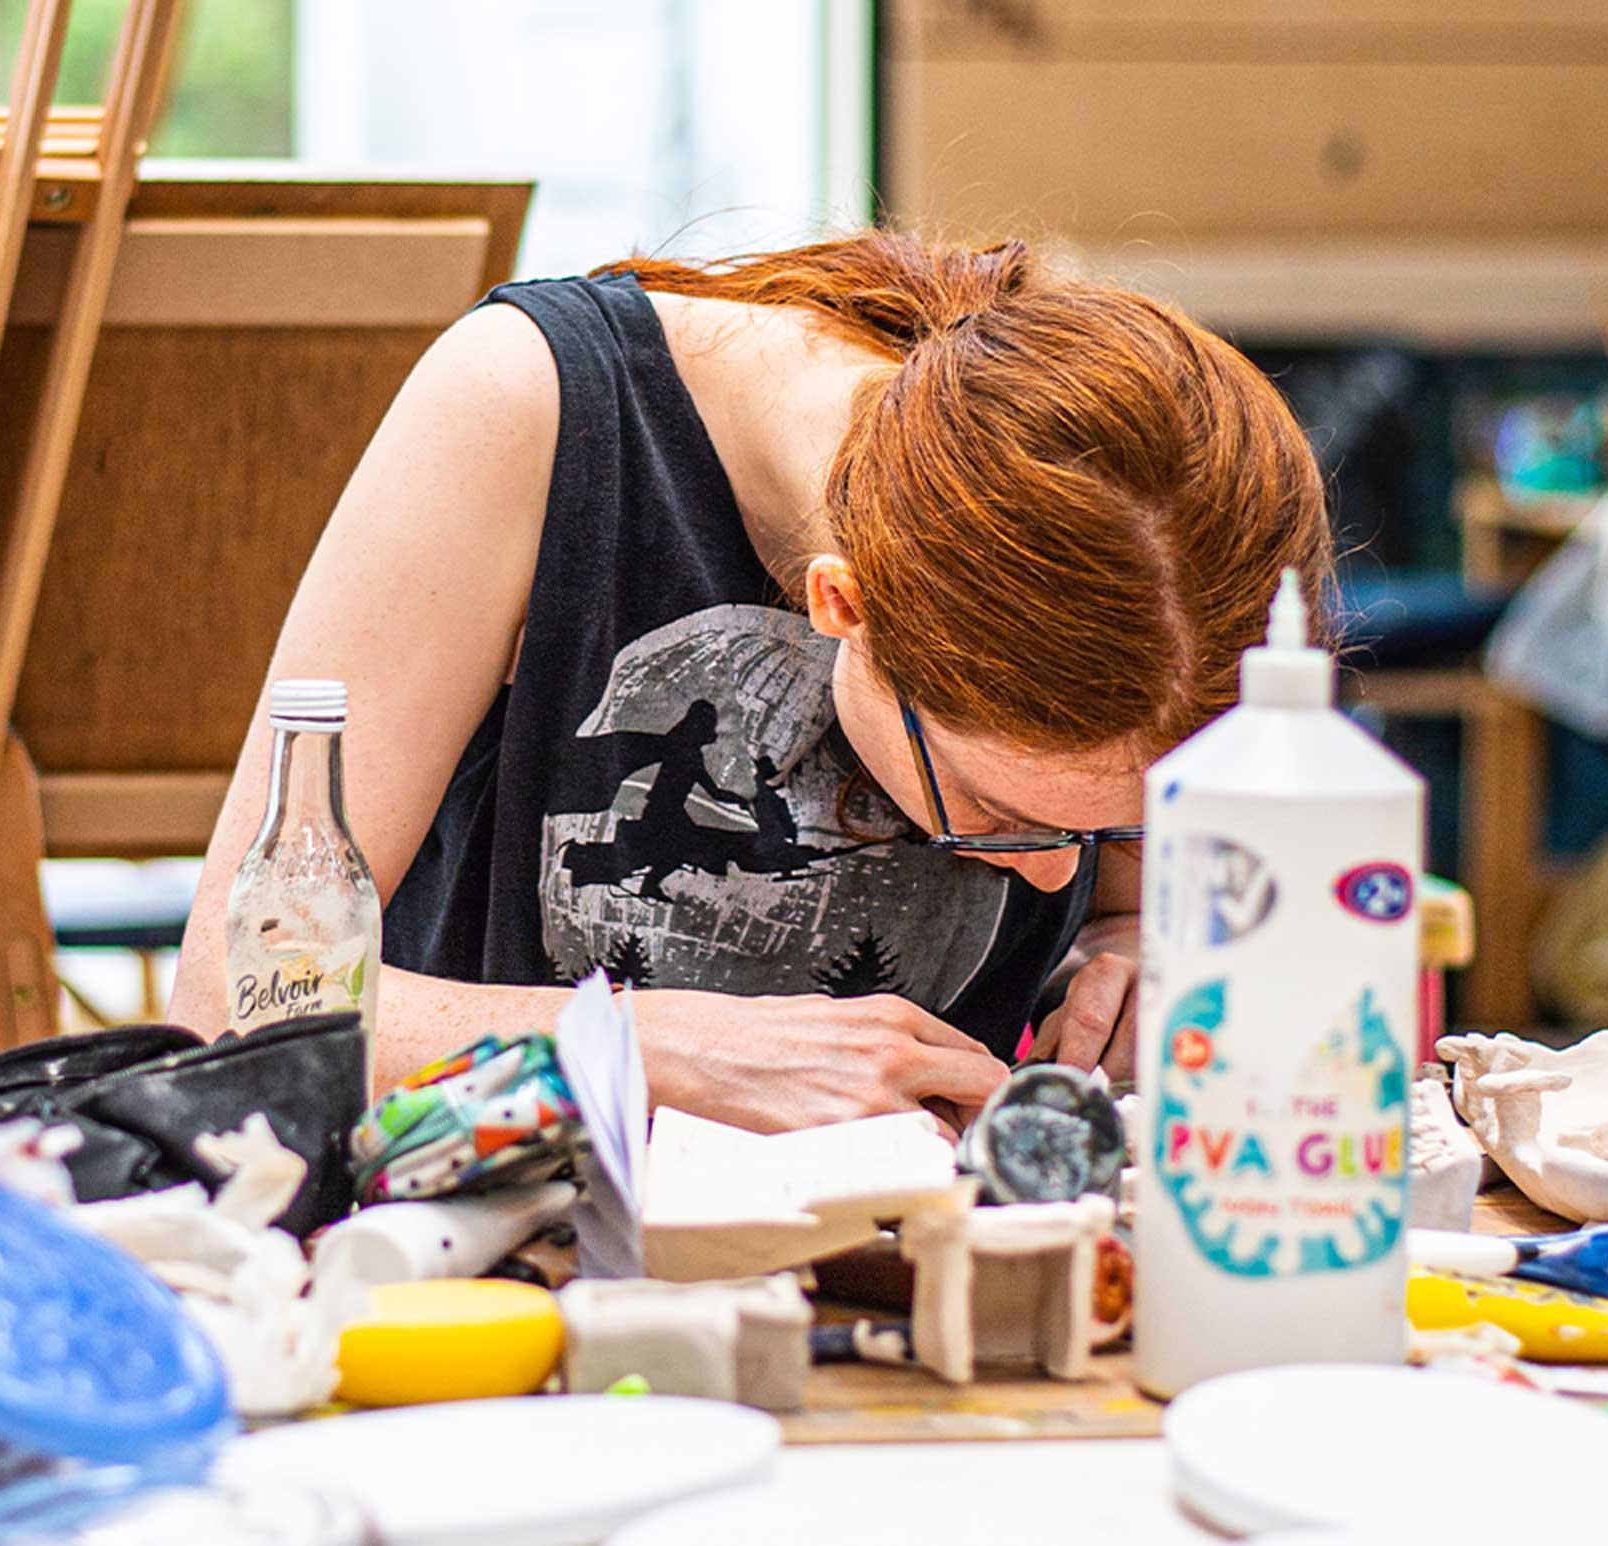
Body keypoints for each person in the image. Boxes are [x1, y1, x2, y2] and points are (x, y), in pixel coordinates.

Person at [170, 233, 1333, 1134]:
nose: (1047, 868)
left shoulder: (1143, 536)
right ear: (841, 607)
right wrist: (650, 1046)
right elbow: (239, 1002)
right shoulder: (532, 408)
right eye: (996, 813)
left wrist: (1143, 943)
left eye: (1111, 824)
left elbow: (1132, 902)